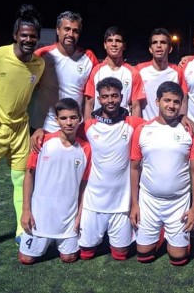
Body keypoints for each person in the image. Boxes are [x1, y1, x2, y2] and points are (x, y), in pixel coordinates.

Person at [130, 81, 194, 266]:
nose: (171, 105)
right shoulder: (142, 130)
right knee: (144, 256)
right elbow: (134, 168)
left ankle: (175, 237)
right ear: (157, 101)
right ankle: (160, 234)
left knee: (178, 259)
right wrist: (134, 204)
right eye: (167, 100)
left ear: (181, 104)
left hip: (178, 202)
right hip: (149, 200)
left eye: (176, 102)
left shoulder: (189, 131)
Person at [0, 4, 45, 244]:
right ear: (15, 35)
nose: (28, 40)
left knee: (20, 178)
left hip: (19, 129)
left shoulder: (38, 64)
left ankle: (21, 231)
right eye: (24, 35)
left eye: (32, 36)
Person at [18, 98, 91, 264]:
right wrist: (26, 210)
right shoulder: (42, 141)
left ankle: (56, 240)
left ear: (80, 118)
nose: (69, 122)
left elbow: (84, 185)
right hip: (39, 215)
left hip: (68, 217)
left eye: (73, 117)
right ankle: (43, 239)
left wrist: (80, 216)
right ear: (56, 120)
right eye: (64, 118)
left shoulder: (86, 148)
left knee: (69, 258)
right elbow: (29, 175)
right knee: (26, 259)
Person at [78, 76, 144, 260]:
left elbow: (160, 124)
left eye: (114, 96)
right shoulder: (88, 126)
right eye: (106, 96)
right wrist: (40, 132)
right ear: (99, 99)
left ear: (121, 97)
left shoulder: (133, 123)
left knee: (121, 255)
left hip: (121, 203)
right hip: (94, 201)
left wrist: (182, 117)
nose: (110, 100)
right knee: (85, 254)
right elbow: (63, 132)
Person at [28, 10, 99, 133]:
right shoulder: (42, 55)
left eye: (75, 31)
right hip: (45, 128)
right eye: (66, 29)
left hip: (75, 127)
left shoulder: (89, 57)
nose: (70, 34)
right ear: (57, 30)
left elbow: (93, 96)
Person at [83, 26, 144, 119]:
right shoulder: (95, 71)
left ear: (124, 46)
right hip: (99, 127)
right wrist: (87, 128)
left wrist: (135, 129)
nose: (114, 44)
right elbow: (89, 104)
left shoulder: (133, 73)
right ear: (105, 45)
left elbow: (136, 106)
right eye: (110, 40)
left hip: (123, 127)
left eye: (118, 41)